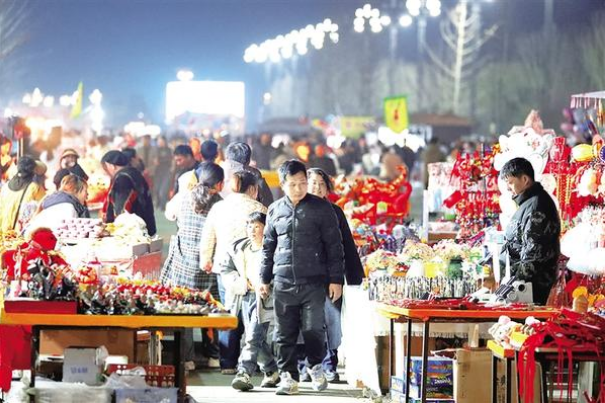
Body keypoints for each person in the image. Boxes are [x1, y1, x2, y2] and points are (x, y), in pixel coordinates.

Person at [259, 160, 344, 395]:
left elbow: (334, 247)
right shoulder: (275, 210)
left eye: (302, 183)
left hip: (314, 282)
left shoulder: (322, 209)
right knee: (283, 333)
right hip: (283, 281)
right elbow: (267, 248)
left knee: (313, 329)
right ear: (283, 185)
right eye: (293, 184)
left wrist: (336, 279)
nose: (299, 188)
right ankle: (288, 377)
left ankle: (315, 366)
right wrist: (263, 279)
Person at [200, 170, 268, 374]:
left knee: (229, 311)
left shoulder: (219, 207)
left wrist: (206, 259)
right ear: (253, 188)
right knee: (253, 314)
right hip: (252, 268)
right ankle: (252, 361)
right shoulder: (259, 208)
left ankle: (228, 363)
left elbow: (208, 236)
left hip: (225, 268)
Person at [160, 162, 224, 371]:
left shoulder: (184, 197)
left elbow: (169, 214)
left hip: (183, 265)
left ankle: (187, 359)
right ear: (220, 184)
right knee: (211, 307)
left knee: (184, 309)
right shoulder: (220, 204)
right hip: (208, 265)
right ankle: (214, 356)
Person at [303, 168, 365, 382]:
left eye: (322, 184)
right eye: (313, 183)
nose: (317, 187)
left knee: (331, 322)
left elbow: (347, 245)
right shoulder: (297, 209)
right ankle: (306, 366)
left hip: (331, 277)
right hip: (304, 277)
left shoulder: (336, 212)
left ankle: (330, 365)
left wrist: (355, 277)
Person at [221, 212, 279, 391]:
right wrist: (240, 283)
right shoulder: (239, 248)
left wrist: (269, 285)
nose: (252, 230)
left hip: (265, 298)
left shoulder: (273, 249)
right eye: (249, 226)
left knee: (252, 336)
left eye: (257, 226)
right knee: (256, 337)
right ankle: (271, 370)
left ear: (265, 228)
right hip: (245, 296)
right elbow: (226, 270)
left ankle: (244, 372)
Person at [499, 157, 561, 305]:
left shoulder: (537, 205)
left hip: (529, 288)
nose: (507, 188)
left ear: (525, 179)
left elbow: (534, 252)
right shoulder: (529, 203)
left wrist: (514, 284)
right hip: (522, 285)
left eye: (510, 182)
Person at [101, 150, 157, 236]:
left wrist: (116, 229)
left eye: (105, 167)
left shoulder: (122, 178)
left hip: (133, 232)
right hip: (145, 226)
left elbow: (121, 209)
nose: (105, 171)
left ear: (112, 166)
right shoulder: (134, 173)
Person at [0, 156, 46, 232]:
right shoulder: (35, 188)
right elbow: (42, 208)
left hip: (3, 233)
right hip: (22, 234)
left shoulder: (6, 187)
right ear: (33, 171)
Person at [221, 142, 273, 208]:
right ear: (248, 161)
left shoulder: (216, 170)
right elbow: (268, 204)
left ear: (226, 156)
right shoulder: (253, 175)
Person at [153, 135, 173, 211]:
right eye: (159, 142)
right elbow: (154, 160)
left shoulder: (169, 150)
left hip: (166, 172)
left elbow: (170, 160)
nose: (160, 143)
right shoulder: (156, 150)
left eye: (161, 141)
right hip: (157, 172)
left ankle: (162, 206)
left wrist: (160, 161)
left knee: (163, 190)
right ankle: (158, 204)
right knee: (157, 189)